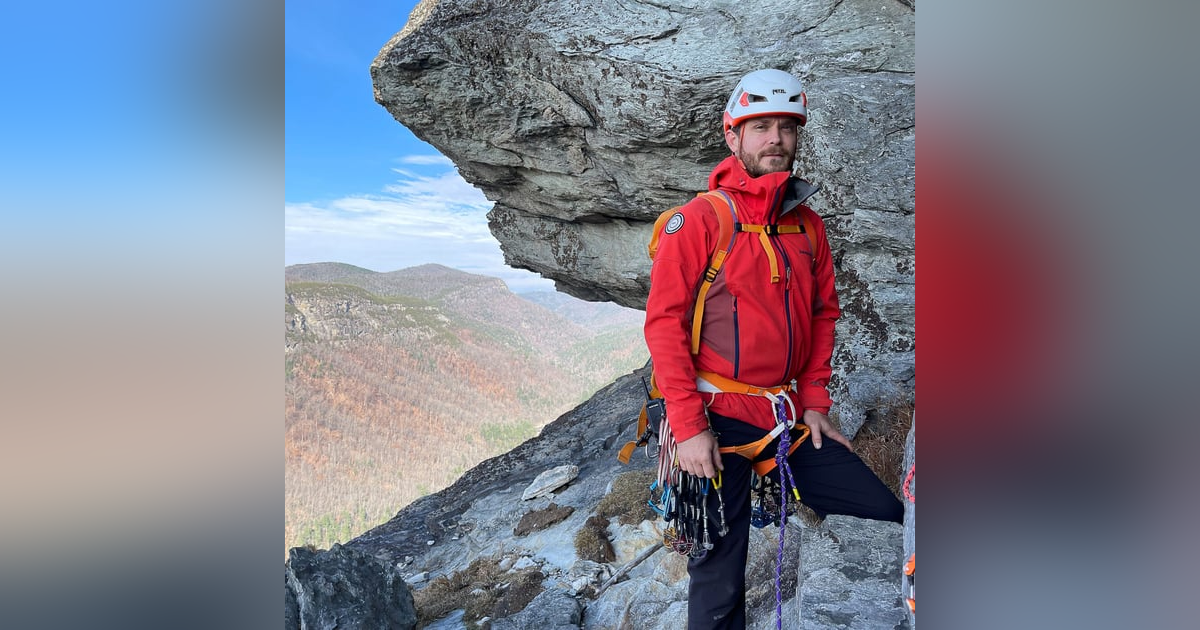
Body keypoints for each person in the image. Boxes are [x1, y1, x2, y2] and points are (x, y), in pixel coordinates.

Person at [643, 68, 904, 629]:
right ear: (731, 135)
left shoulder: (806, 227)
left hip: (786, 416)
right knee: (717, 577)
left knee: (885, 513)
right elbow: (663, 327)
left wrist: (815, 402)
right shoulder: (698, 223)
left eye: (787, 127)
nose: (776, 139)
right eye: (759, 126)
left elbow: (822, 314)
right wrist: (688, 428)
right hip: (715, 417)